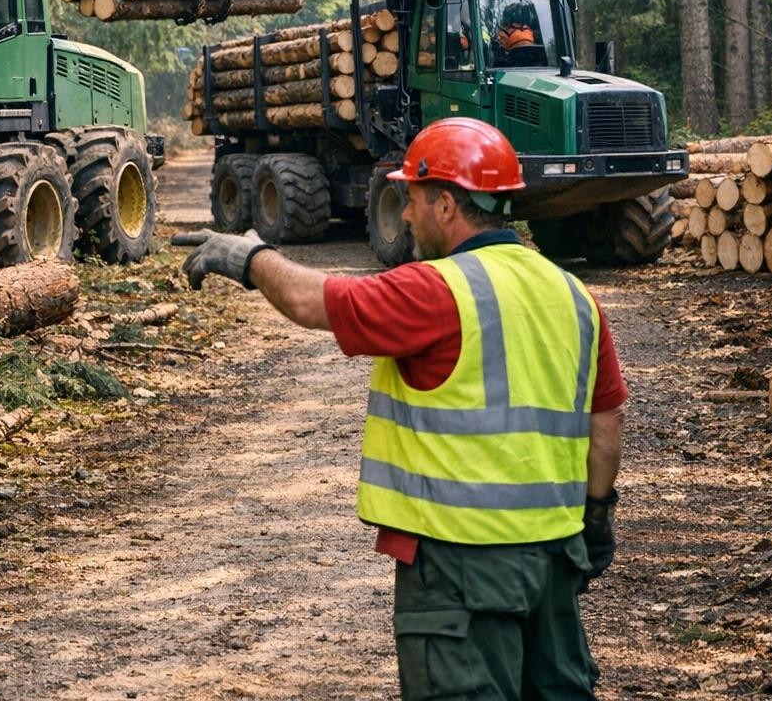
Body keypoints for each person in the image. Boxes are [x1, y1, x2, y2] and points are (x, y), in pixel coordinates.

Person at [173, 117, 625, 701]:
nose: (405, 215)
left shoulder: (436, 290)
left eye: (411, 200)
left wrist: (249, 256)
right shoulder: (574, 295)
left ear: (445, 204)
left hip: (459, 569)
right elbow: (606, 424)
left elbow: (315, 302)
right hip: (555, 562)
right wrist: (596, 516)